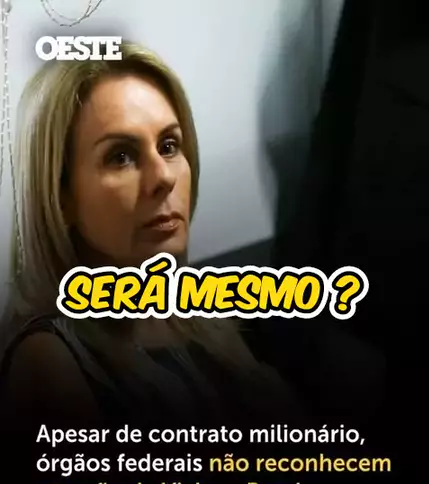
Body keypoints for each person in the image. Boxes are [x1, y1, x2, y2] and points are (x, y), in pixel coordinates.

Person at [0, 40, 296, 429]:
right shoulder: (49, 360)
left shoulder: (198, 313)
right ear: (60, 195)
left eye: (169, 146)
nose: (164, 177)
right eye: (121, 156)